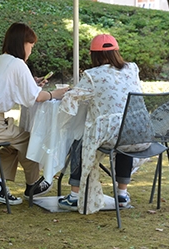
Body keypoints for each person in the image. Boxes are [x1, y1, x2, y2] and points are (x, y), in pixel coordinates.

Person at [0, 22, 70, 205]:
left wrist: (30, 82)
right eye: (31, 46)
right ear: (22, 44)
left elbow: (10, 87)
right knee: (29, 139)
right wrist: (55, 94)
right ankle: (33, 184)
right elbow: (35, 98)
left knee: (13, 143)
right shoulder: (17, 64)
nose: (31, 51)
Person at [57, 34, 143, 214]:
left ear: (93, 55)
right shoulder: (132, 69)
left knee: (80, 137)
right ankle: (121, 194)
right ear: (116, 52)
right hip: (140, 132)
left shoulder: (92, 75)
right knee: (123, 133)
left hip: (111, 135)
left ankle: (74, 196)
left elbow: (71, 99)